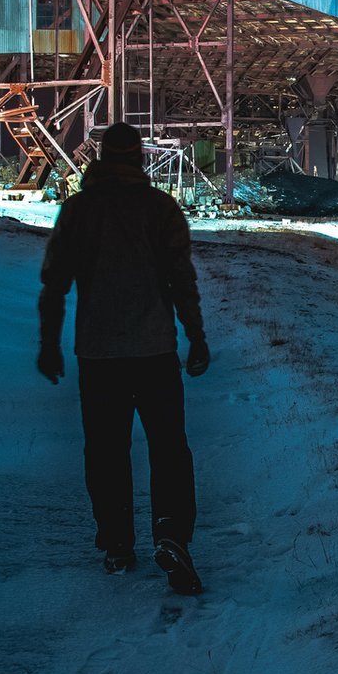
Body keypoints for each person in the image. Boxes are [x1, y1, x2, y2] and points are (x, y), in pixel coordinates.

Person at [37, 122, 211, 592]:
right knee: (169, 449)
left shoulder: (78, 210)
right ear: (139, 158)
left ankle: (116, 542)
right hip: (155, 349)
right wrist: (195, 336)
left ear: (99, 156)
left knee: (107, 452)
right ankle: (172, 533)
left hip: (98, 354)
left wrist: (49, 343)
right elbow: (182, 281)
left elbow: (54, 282)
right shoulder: (160, 208)